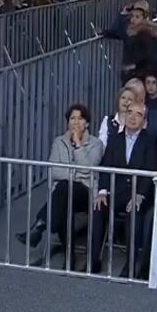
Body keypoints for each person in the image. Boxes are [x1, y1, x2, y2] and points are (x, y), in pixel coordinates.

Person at [17, 104, 105, 255]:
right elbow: (53, 171)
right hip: (63, 193)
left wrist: (78, 146)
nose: (76, 122)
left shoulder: (96, 144)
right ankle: (69, 259)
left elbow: (87, 168)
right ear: (67, 122)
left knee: (63, 189)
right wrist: (75, 175)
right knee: (64, 200)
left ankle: (39, 226)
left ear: (87, 124)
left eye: (80, 118)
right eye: (72, 118)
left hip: (86, 192)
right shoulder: (59, 142)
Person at [93, 102, 157, 278]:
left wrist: (140, 195)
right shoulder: (115, 138)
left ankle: (130, 265)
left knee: (135, 212)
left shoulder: (150, 140)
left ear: (144, 121)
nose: (132, 117)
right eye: (130, 112)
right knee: (98, 207)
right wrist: (102, 191)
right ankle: (93, 260)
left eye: (138, 114)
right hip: (117, 191)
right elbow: (106, 166)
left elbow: (151, 169)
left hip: (139, 193)